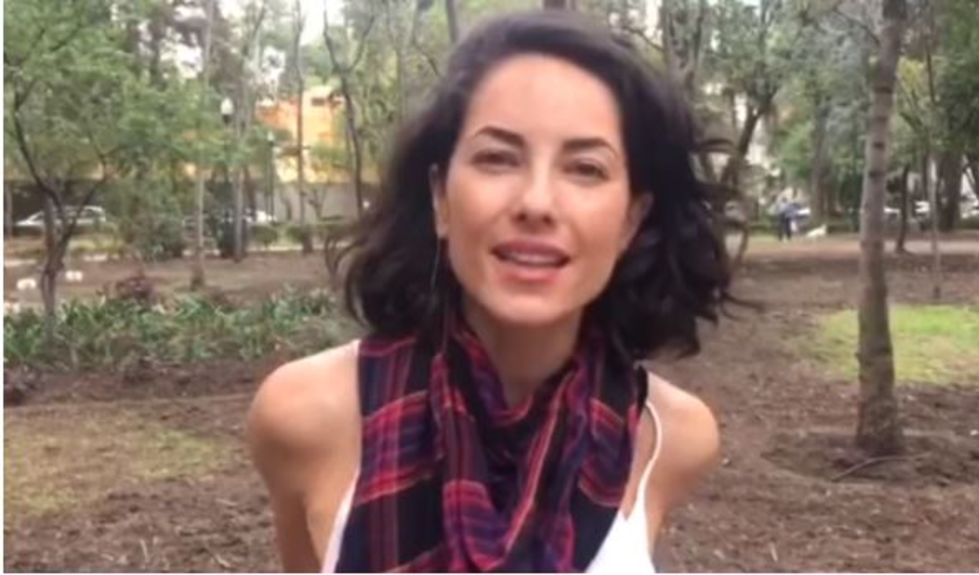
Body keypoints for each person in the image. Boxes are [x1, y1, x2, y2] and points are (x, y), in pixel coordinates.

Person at [247, 11, 728, 573]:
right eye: (498, 158)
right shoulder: (305, 416)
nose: (537, 202)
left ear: (630, 219)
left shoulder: (672, 438)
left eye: (585, 168)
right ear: (440, 198)